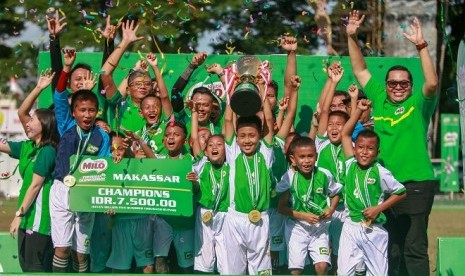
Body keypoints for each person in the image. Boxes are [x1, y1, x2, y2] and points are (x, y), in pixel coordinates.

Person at [347, 10, 438, 276]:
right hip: (385, 186)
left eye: (403, 83)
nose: (397, 87)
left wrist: (421, 46)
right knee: (391, 248)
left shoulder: (418, 104)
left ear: (411, 86)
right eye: (392, 83)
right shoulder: (378, 97)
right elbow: (360, 69)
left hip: (416, 184)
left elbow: (432, 83)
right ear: (385, 85)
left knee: (414, 247)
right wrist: (352, 36)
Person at [50, 56, 111, 272]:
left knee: (81, 252)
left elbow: (105, 169)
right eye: (82, 111)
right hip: (61, 190)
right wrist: (66, 67)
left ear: (97, 112)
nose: (87, 115)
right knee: (62, 248)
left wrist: (107, 199)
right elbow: (58, 94)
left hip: (86, 193)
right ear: (74, 112)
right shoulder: (66, 125)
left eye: (91, 111)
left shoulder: (102, 137)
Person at [338, 98, 406, 276]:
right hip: (351, 227)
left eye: (370, 149)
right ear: (354, 149)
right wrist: (358, 111)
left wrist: (378, 208)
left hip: (373, 230)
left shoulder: (381, 172)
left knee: (378, 273)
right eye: (360, 147)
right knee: (344, 272)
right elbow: (346, 134)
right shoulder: (349, 163)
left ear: (377, 153)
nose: (364, 152)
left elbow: (401, 192)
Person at [1, 70, 59, 272]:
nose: (27, 122)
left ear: (44, 125)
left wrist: (18, 214)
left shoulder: (48, 151)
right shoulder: (27, 147)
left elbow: (35, 186)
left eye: (32, 119)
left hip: (39, 221)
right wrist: (38, 87)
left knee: (36, 269)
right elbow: (4, 141)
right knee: (26, 268)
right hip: (26, 218)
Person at [221, 75, 274, 275]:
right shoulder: (233, 152)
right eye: (242, 136)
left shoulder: (265, 152)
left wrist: (262, 88)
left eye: (252, 135)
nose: (247, 140)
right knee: (233, 269)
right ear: (236, 137)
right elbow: (228, 119)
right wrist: (232, 90)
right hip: (235, 219)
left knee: (260, 269)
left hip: (261, 219)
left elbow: (268, 119)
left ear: (260, 136)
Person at [277, 136, 342, 275]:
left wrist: (331, 209)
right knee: (296, 269)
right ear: (293, 159)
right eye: (302, 157)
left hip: (319, 228)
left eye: (310, 156)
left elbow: (336, 193)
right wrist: (302, 215)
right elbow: (281, 207)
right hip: (297, 228)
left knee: (322, 266)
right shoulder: (288, 178)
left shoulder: (324, 174)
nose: (306, 161)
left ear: (316, 156)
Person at [186, 100, 230, 273]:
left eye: (219, 145)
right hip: (205, 213)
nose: (214, 148)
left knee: (226, 260)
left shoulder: (231, 164)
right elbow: (195, 137)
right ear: (205, 151)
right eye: (210, 145)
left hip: (226, 215)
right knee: (205, 260)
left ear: (227, 150)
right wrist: (195, 114)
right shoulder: (202, 163)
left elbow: (228, 126)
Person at [105, 133, 154, 273]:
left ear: (127, 148)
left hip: (142, 218)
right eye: (112, 149)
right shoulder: (105, 166)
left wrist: (139, 140)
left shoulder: (138, 160)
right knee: (120, 266)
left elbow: (157, 163)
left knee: (147, 265)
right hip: (119, 221)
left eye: (120, 148)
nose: (116, 153)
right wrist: (106, 206)